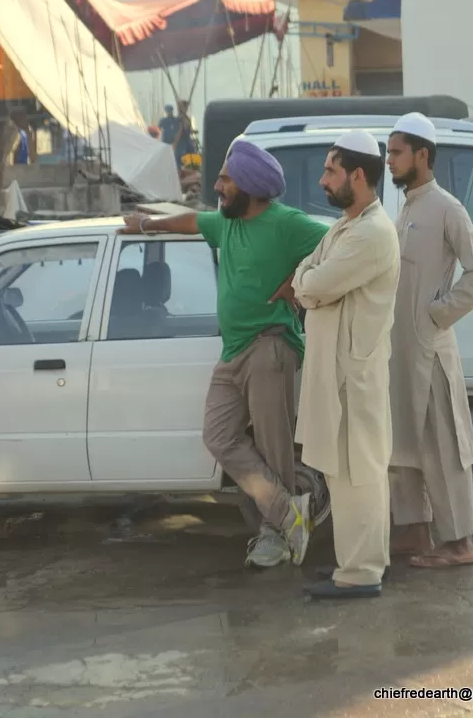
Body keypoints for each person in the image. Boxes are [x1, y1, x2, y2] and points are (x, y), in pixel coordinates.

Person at [119, 140, 328, 568]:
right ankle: (291, 517)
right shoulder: (227, 223)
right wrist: (145, 224)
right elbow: (192, 220)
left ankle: (277, 537)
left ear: (250, 186)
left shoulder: (286, 223)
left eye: (226, 179)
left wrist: (299, 278)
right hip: (233, 352)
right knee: (219, 436)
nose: (216, 185)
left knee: (274, 450)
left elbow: (337, 243)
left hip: (271, 347)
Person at [276, 130, 400, 599]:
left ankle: (361, 573)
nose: (324, 180)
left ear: (358, 175)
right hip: (339, 373)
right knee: (344, 472)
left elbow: (311, 285)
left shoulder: (370, 233)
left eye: (331, 171)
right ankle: (362, 565)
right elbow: (306, 271)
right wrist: (308, 280)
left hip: (354, 375)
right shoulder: (346, 226)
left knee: (358, 472)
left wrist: (307, 283)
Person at [386, 113, 473, 568]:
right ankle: (413, 532)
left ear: (422, 155)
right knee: (402, 443)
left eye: (396, 153)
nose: (388, 161)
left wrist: (437, 314)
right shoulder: (406, 206)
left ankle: (459, 543)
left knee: (442, 446)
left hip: (429, 350)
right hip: (398, 350)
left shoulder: (447, 207)